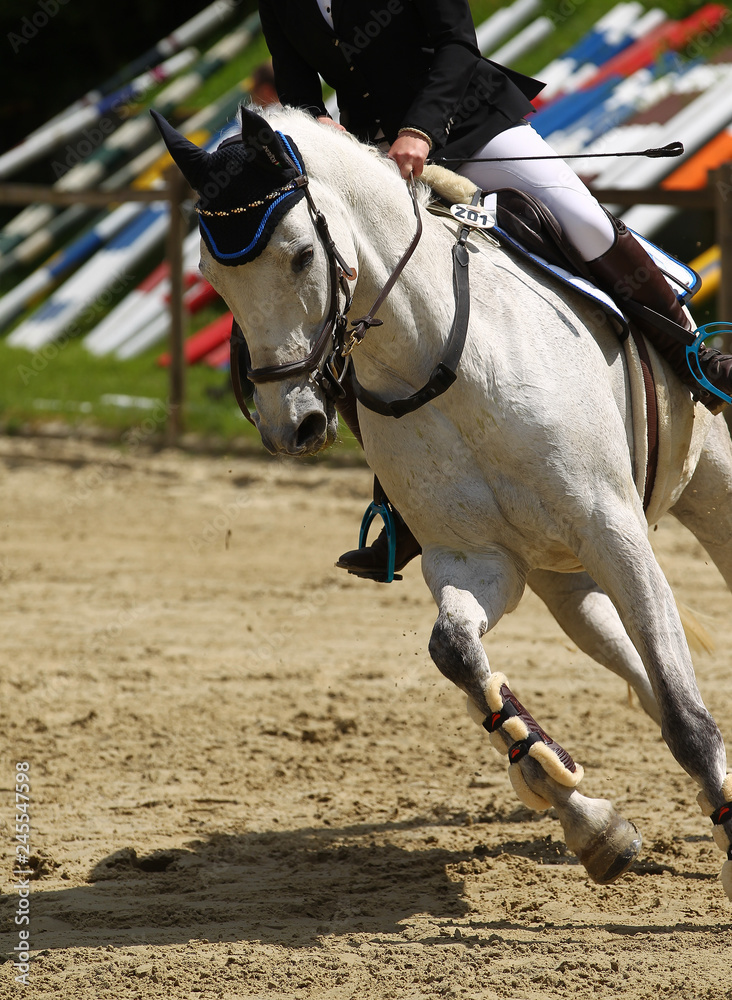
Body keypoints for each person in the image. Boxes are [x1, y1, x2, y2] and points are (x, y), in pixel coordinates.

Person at [258, 0, 732, 580]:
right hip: (375, 159)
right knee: (362, 306)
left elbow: (457, 45)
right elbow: (297, 93)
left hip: (470, 124)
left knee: (584, 222)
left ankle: (693, 358)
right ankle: (402, 501)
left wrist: (419, 130)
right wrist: (323, 127)